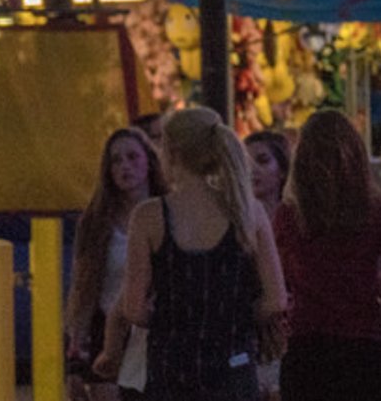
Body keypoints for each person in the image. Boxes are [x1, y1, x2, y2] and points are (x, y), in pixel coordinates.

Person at [122, 107, 287, 401]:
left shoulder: (149, 216)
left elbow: (133, 308)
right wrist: (233, 319)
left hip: (171, 369)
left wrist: (175, 320)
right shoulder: (248, 211)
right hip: (234, 366)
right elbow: (276, 300)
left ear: (170, 151)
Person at [274, 111, 381, 401]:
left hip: (305, 347)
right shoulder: (380, 211)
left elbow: (282, 282)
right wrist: (366, 282)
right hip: (362, 347)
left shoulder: (289, 216)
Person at [71, 128, 165, 401]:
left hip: (153, 331)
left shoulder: (167, 214)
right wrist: (75, 357)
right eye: (116, 160)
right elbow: (82, 288)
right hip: (106, 328)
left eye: (133, 157)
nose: (125, 166)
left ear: (149, 161)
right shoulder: (97, 222)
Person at [244, 130, 292, 401]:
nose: (253, 171)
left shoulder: (295, 222)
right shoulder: (231, 225)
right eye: (246, 164)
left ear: (282, 170)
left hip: (289, 337)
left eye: (262, 161)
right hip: (249, 339)